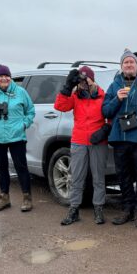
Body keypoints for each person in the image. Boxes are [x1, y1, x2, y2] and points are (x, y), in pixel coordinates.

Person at [102, 49, 137, 228]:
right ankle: (127, 209)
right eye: (125, 62)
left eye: (131, 62)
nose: (129, 65)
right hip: (120, 140)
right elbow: (105, 111)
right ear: (121, 66)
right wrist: (117, 100)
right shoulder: (114, 86)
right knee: (123, 177)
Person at [54, 66, 109, 225]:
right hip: (79, 140)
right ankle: (74, 209)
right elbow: (60, 106)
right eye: (81, 81)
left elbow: (111, 114)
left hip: (98, 141)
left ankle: (98, 208)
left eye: (87, 80)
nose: (84, 83)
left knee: (98, 177)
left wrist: (105, 130)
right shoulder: (75, 96)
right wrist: (67, 87)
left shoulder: (102, 96)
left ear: (93, 80)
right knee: (76, 176)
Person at [0, 64, 36, 212]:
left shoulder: (20, 92)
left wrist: (24, 124)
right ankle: (4, 197)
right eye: (0, 76)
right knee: (1, 168)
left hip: (17, 137)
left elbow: (30, 111)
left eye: (6, 76)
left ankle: (27, 198)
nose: (4, 78)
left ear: (10, 77)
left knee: (21, 167)